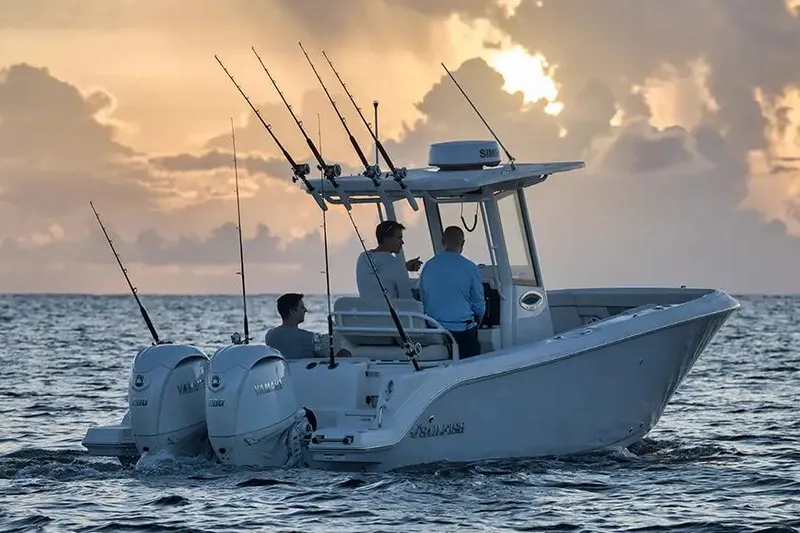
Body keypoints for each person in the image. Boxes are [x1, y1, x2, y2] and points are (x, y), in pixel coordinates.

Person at [419, 226, 485, 359]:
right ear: (463, 243)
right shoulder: (470, 267)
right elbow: (479, 303)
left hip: (435, 329)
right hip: (463, 332)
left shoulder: (429, 266)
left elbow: (424, 299)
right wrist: (478, 321)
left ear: (443, 241)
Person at [264, 293, 350, 359]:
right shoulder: (310, 338)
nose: (305, 310)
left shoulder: (270, 335)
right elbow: (337, 354)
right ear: (292, 311)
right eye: (302, 307)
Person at [355, 220, 423, 300]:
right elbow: (406, 299)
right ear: (386, 240)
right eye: (399, 238)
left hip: (368, 311)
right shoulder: (396, 264)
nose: (402, 242)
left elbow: (381, 275)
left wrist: (404, 267)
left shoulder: (363, 258)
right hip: (391, 312)